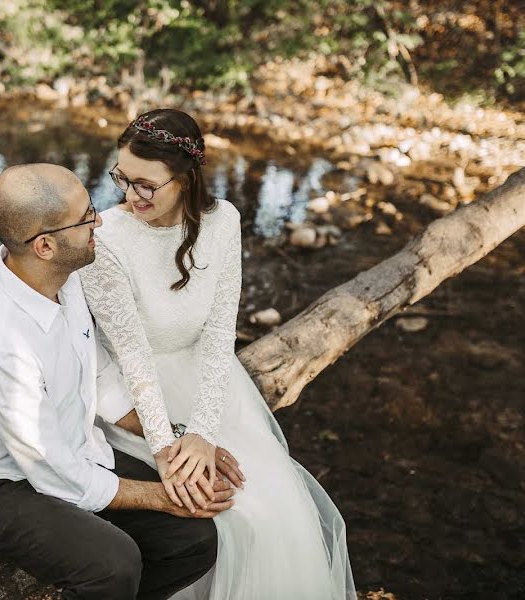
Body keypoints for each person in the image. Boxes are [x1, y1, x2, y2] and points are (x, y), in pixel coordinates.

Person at [0, 163, 244, 600]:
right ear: (45, 245)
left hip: (73, 450)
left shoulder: (63, 280)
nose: (100, 219)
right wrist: (160, 496)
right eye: (86, 216)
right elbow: (54, 472)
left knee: (192, 539)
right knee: (113, 564)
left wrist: (177, 440)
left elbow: (98, 376)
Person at [80, 109, 356, 599]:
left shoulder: (224, 219)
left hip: (214, 386)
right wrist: (168, 452)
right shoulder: (105, 241)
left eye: (148, 185)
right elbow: (134, 356)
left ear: (185, 179)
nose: (131, 195)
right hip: (137, 402)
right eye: (123, 178)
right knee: (220, 514)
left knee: (276, 509)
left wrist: (204, 432)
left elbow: (218, 332)